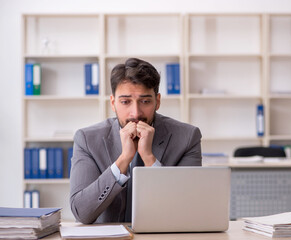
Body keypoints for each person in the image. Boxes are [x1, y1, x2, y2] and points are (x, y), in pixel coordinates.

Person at [70, 58, 202, 224]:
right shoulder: (87, 139)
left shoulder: (187, 137)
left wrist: (149, 158)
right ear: (113, 103)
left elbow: (188, 209)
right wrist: (123, 160)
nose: (135, 113)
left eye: (145, 101)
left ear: (157, 101)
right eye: (125, 102)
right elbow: (82, 213)